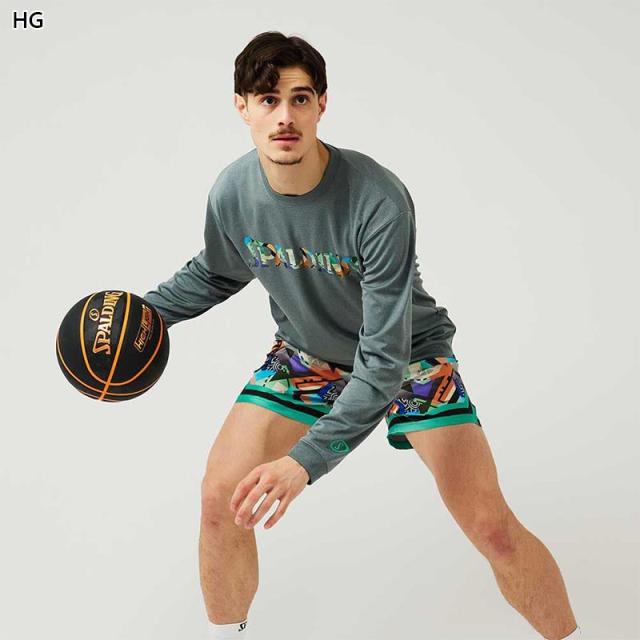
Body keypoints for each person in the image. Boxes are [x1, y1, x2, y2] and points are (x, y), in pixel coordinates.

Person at [143, 31, 580, 640]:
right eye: (268, 100)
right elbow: (217, 271)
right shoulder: (233, 191)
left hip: (407, 357)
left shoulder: (377, 199)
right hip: (308, 356)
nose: (285, 116)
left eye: (300, 99)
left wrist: (304, 463)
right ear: (242, 107)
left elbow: (381, 361)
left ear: (322, 104)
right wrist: (138, 317)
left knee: (491, 527)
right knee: (222, 498)